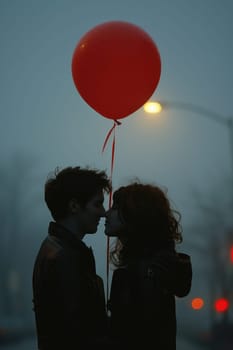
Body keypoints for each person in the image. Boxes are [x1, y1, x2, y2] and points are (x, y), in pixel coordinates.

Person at [105, 182, 192, 350]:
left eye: (114, 208)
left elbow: (133, 338)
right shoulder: (151, 266)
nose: (105, 214)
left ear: (134, 214)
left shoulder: (144, 272)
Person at [32, 166, 112, 350]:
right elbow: (79, 335)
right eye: (97, 204)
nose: (103, 212)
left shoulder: (56, 248)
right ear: (74, 205)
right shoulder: (63, 257)